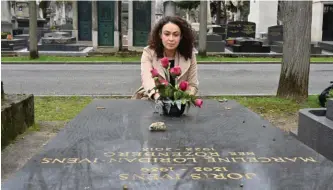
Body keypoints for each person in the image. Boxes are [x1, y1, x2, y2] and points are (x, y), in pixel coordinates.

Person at [132, 16, 199, 100]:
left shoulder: (190, 55)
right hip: (152, 98)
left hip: (180, 101)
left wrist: (183, 100)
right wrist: (158, 98)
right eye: (167, 34)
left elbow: (192, 85)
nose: (171, 39)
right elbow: (147, 79)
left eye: (176, 34)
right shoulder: (148, 52)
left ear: (181, 36)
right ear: (160, 35)